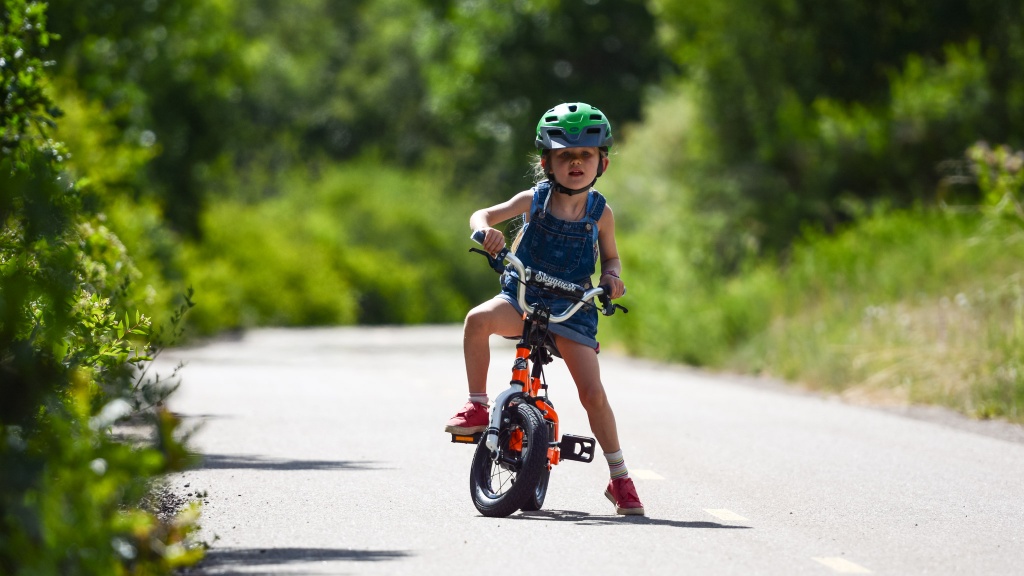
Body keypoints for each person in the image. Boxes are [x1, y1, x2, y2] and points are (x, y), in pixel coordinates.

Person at [444, 102, 644, 515]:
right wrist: (486, 231)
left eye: (585, 154)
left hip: (572, 308)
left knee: (593, 394)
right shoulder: (534, 200)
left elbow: (611, 258)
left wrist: (612, 278)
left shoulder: (600, 213)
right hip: (523, 298)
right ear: (546, 163)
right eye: (565, 155)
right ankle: (477, 404)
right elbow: (482, 214)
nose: (576, 163)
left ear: (602, 162)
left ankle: (619, 477)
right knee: (477, 321)